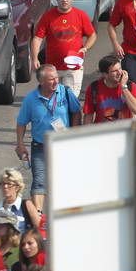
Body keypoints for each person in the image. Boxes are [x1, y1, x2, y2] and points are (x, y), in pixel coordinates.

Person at [15, 64, 82, 210]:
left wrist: (74, 135)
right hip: (40, 147)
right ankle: (38, 218)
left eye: (56, 78)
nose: (56, 81)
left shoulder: (65, 92)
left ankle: (65, 213)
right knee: (39, 182)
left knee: (65, 180)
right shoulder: (30, 99)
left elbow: (77, 111)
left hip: (63, 145)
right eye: (51, 79)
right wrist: (20, 144)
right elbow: (21, 123)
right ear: (41, 82)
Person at [30, 0, 96, 96]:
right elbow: (37, 38)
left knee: (70, 101)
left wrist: (85, 48)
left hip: (73, 68)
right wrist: (34, 58)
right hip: (52, 69)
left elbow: (92, 35)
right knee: (52, 101)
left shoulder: (81, 15)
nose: (64, 0)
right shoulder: (48, 16)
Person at [82, 54, 136, 123]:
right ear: (105, 74)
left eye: (120, 68)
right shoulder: (93, 88)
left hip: (124, 130)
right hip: (103, 131)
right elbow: (88, 115)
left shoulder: (130, 86)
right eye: (115, 71)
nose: (120, 73)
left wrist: (124, 87)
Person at [0, 168, 42, 234]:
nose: (5, 187)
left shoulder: (26, 205)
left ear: (17, 187)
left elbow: (39, 230)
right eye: (2, 184)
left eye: (9, 184)